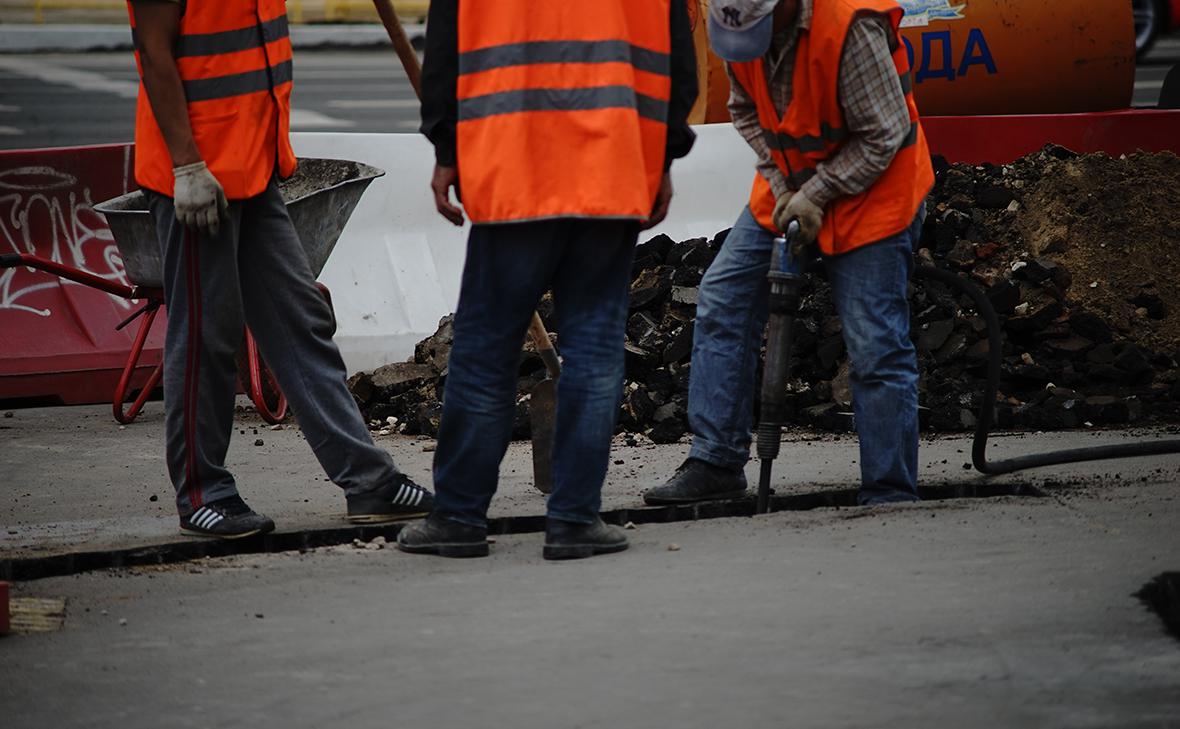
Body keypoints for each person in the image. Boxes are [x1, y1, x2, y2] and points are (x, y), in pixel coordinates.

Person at [397, 0, 699, 559]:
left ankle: (459, 517)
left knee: (487, 352)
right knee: (595, 353)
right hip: (611, 168)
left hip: (512, 166)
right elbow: (677, 56)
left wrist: (447, 147)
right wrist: (662, 155)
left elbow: (446, 48)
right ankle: (575, 520)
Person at [129, 0, 433, 538]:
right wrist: (187, 165)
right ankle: (204, 493)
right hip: (200, 179)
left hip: (256, 167)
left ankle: (368, 481)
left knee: (301, 324)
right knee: (207, 338)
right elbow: (155, 55)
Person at [644, 0, 933, 507]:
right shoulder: (736, 24)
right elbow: (744, 110)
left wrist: (816, 194)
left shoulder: (850, 28)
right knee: (725, 298)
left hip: (874, 193)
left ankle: (889, 489)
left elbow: (883, 134)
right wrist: (783, 189)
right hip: (788, 187)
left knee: (874, 342)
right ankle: (715, 460)